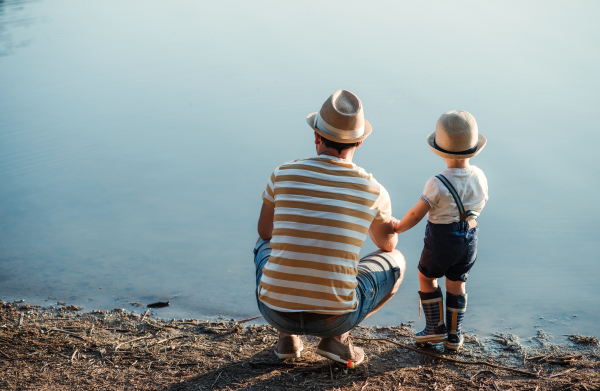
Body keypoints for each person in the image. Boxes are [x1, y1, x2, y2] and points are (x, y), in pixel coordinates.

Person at [254, 89, 406, 367]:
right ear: (359, 143)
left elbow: (265, 233)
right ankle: (338, 338)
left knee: (264, 246)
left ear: (316, 137)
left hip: (275, 311)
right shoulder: (373, 190)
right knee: (397, 262)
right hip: (335, 317)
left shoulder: (282, 173)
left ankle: (286, 338)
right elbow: (387, 246)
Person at [392, 110, 488, 351]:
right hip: (470, 237)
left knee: (427, 275)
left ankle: (435, 328)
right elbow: (481, 203)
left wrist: (398, 227)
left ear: (441, 151)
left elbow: (417, 213)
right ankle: (454, 336)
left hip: (442, 239)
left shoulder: (437, 182)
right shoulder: (480, 176)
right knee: (457, 282)